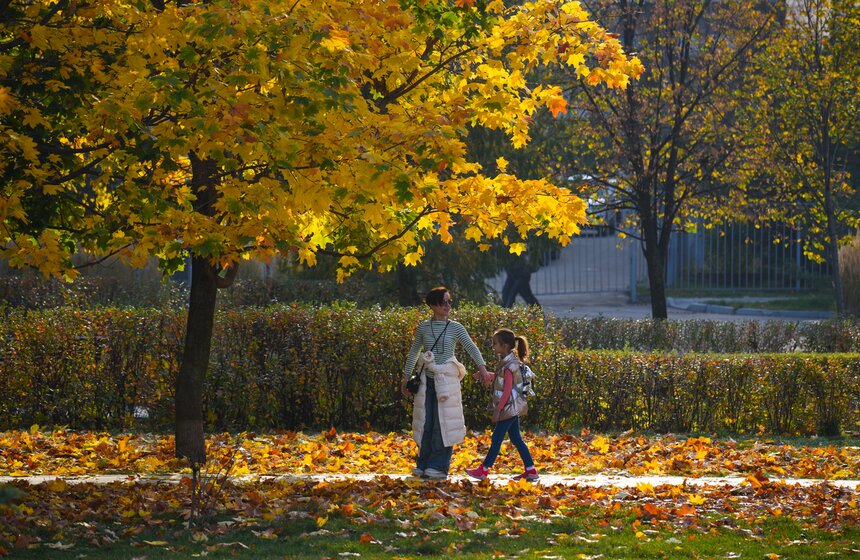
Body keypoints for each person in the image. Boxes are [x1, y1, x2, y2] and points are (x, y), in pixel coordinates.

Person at [401, 286, 491, 480]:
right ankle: (423, 464)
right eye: (443, 302)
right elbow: (414, 351)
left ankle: (439, 466)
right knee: (425, 423)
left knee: (443, 424)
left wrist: (483, 369)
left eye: (450, 302)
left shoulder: (456, 327)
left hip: (447, 381)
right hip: (426, 380)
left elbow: (471, 347)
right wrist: (406, 377)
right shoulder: (424, 327)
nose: (448, 306)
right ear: (433, 305)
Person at [466, 328, 538, 482]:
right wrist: (486, 375)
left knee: (497, 438)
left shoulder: (509, 365)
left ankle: (483, 470)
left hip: (508, 407)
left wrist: (498, 410)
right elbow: (504, 380)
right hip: (513, 406)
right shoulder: (508, 362)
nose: (493, 346)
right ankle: (530, 470)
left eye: (495, 344)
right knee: (516, 439)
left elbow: (507, 390)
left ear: (504, 346)